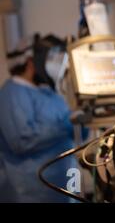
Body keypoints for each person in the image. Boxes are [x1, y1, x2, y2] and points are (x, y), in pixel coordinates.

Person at [0, 36, 75, 202]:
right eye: (50, 59)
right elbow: (22, 141)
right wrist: (66, 124)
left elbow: (75, 133)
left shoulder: (48, 92)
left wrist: (81, 120)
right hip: (32, 191)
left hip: (67, 182)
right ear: (30, 62)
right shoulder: (12, 93)